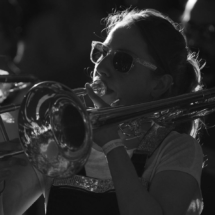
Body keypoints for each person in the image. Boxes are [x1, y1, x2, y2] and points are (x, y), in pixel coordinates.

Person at [0, 8, 205, 215]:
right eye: (101, 52)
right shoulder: (62, 140)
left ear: (159, 85)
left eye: (122, 61)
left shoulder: (178, 148)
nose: (101, 67)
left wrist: (112, 144)